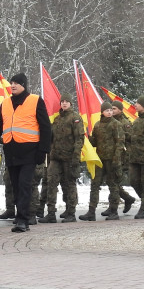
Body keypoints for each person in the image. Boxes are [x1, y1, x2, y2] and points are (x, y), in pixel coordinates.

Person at [0, 73, 52, 233]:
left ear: (24, 85)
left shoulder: (35, 101)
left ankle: (23, 219)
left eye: (16, 83)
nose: (13, 85)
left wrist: (43, 151)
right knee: (15, 186)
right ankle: (20, 215)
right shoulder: (6, 103)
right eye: (11, 83)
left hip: (30, 152)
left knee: (24, 185)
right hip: (11, 152)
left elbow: (46, 127)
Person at [45, 94, 84, 223]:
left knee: (69, 185)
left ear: (71, 104)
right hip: (56, 157)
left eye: (67, 101)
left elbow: (79, 139)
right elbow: (51, 138)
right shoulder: (57, 120)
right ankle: (51, 213)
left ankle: (71, 212)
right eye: (62, 101)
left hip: (69, 157)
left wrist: (76, 157)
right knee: (51, 183)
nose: (64, 103)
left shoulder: (75, 118)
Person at [86, 100, 125, 220]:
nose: (109, 112)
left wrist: (116, 159)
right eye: (107, 110)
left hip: (112, 159)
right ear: (102, 112)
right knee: (95, 184)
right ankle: (91, 212)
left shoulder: (116, 124)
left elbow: (120, 143)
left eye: (111, 110)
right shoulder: (97, 125)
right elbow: (94, 142)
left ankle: (114, 211)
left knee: (113, 185)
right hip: (100, 159)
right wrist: (87, 137)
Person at [110, 100, 138, 214]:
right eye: (111, 108)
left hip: (123, 156)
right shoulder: (110, 122)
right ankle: (127, 198)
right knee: (112, 181)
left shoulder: (125, 122)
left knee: (114, 181)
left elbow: (131, 138)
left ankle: (113, 207)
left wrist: (122, 134)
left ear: (120, 110)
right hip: (112, 154)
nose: (112, 111)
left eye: (114, 109)